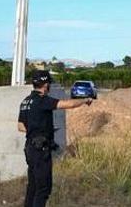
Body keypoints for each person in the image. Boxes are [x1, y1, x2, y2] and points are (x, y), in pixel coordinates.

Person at [18, 69, 93, 207]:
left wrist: (37, 130)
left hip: (29, 148)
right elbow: (68, 104)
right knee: (43, 190)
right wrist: (85, 100)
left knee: (33, 187)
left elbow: (20, 126)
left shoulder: (25, 102)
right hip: (40, 151)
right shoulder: (42, 100)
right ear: (46, 85)